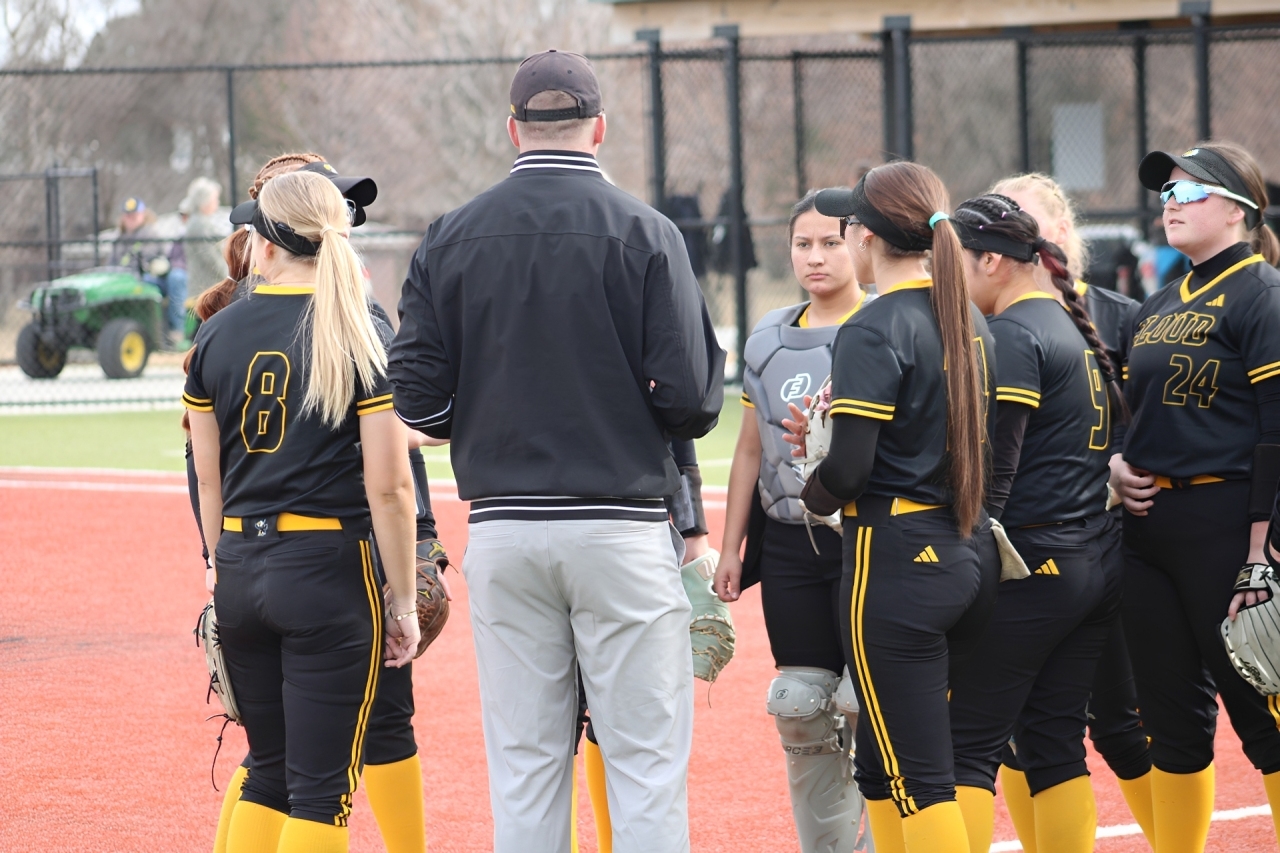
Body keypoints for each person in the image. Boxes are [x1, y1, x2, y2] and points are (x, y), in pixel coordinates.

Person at [388, 50, 724, 853]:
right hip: (619, 523)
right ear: (599, 128)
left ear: (513, 130)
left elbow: (417, 403)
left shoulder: (451, 236)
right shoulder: (648, 231)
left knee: (526, 764)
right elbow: (692, 402)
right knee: (643, 763)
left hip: (504, 524)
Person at [184, 152, 439, 853]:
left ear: (263, 244)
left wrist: (218, 560)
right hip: (328, 568)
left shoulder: (214, 332)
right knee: (322, 792)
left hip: (239, 560)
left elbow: (208, 478)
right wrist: (402, 601)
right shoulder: (355, 333)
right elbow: (390, 489)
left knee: (267, 772)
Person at [789, 162, 1000, 853]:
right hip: (967, 551)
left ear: (864, 237)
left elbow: (850, 468)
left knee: (918, 776)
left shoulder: (874, 323)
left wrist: (810, 491)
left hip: (896, 558)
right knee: (888, 764)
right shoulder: (966, 315)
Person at [945, 193, 1125, 853]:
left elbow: (997, 470)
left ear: (991, 260)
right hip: (1092, 562)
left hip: (1033, 566)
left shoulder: (1016, 334)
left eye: (954, 263)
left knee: (962, 745)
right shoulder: (1070, 324)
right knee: (1053, 744)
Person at [1114, 141, 1280, 851]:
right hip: (1150, 531)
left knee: (1262, 711)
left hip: (1227, 522)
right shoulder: (1157, 302)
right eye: (1165, 194)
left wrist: (1260, 549)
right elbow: (1134, 413)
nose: (1169, 204)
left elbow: (1276, 428)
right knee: (1168, 719)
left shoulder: (1262, 290)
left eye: (1186, 193)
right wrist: (1119, 462)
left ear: (1238, 211)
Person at [991, 173, 1154, 848]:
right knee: (1022, 737)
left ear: (1061, 232)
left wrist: (1120, 464)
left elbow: (1152, 426)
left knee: (1119, 722)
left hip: (1104, 545)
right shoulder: (994, 324)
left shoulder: (1117, 316)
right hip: (1027, 548)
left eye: (1027, 221)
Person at [712, 189, 869, 852]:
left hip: (869, 542)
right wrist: (729, 549)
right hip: (789, 546)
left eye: (830, 242)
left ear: (860, 242)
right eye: (802, 243)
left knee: (873, 707)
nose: (815, 256)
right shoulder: (767, 337)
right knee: (802, 707)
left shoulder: (889, 323)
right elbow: (750, 447)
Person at [111, 196, 187, 343]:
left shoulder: (150, 234)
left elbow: (152, 262)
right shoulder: (119, 238)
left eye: (135, 215)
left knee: (147, 282)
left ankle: (173, 332)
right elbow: (112, 263)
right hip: (123, 279)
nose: (131, 219)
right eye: (128, 215)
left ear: (143, 215)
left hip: (151, 278)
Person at [183, 177, 230, 298]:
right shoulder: (200, 224)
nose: (217, 203)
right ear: (205, 201)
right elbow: (210, 256)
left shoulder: (198, 221)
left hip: (205, 286)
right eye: (215, 199)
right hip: (206, 287)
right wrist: (229, 276)